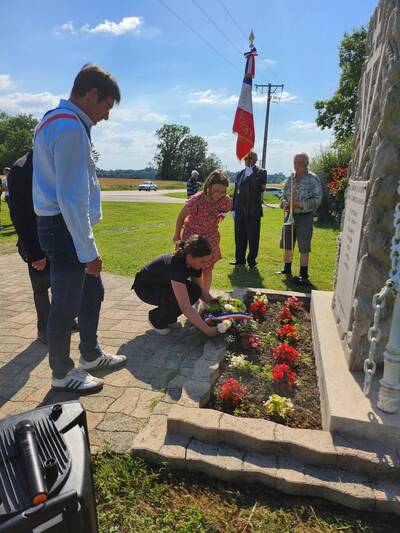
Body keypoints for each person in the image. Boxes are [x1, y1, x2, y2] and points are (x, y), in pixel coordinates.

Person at [33, 63, 126, 394]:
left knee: (92, 293)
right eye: (107, 106)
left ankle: (89, 354)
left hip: (60, 225)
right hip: (65, 228)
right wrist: (89, 252)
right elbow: (71, 197)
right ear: (92, 95)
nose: (106, 116)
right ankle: (62, 372)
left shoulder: (52, 119)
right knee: (66, 304)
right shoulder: (71, 128)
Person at [7, 150, 78, 344]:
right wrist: (34, 252)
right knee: (41, 286)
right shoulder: (21, 168)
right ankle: (44, 328)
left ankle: (65, 321)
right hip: (35, 241)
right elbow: (19, 215)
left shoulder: (51, 161)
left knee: (60, 283)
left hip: (57, 237)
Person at [132, 234, 218, 337]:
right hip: (145, 288)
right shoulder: (177, 267)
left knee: (195, 291)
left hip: (163, 284)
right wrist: (207, 330)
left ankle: (168, 317)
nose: (205, 265)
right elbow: (185, 306)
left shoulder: (194, 264)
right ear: (190, 257)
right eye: (202, 261)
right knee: (180, 297)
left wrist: (219, 308)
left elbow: (202, 292)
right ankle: (156, 318)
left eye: (206, 262)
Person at [173, 169, 232, 292]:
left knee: (207, 267)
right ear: (208, 186)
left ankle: (205, 296)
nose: (219, 194)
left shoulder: (225, 201)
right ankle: (197, 296)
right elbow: (181, 216)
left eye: (223, 192)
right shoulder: (197, 199)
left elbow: (224, 212)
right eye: (216, 190)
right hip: (193, 235)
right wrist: (177, 235)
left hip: (211, 235)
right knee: (195, 268)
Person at [277, 152, 322, 286]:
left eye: (300, 163)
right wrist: (284, 203)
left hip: (305, 216)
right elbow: (283, 195)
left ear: (306, 164)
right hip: (290, 215)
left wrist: (300, 205)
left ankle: (303, 274)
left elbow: (317, 200)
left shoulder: (313, 179)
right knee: (287, 243)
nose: (296, 165)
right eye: (295, 162)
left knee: (304, 245)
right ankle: (287, 269)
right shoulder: (290, 178)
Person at [230, 151, 267, 268]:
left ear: (255, 160)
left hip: (253, 211)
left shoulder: (261, 172)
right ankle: (239, 259)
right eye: (245, 159)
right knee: (239, 236)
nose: (247, 161)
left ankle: (251, 260)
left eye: (250, 158)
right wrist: (233, 208)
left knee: (253, 237)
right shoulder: (240, 173)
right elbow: (236, 192)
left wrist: (252, 176)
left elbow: (260, 189)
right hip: (240, 210)